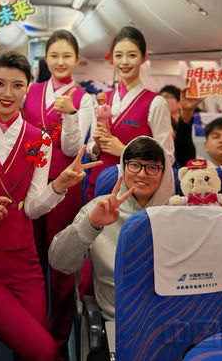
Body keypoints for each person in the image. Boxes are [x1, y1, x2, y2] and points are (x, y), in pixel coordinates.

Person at [0, 51, 101, 361]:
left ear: (27, 89)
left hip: (24, 264)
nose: (7, 93)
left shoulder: (40, 140)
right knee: (44, 351)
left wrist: (58, 186)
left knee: (32, 350)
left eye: (17, 85)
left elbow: (31, 208)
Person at [48, 136, 174, 360]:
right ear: (124, 167)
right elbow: (59, 262)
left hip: (173, 323)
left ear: (164, 174)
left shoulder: (180, 214)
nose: (142, 174)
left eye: (152, 167)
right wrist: (91, 225)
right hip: (119, 323)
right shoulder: (100, 208)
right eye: (134, 165)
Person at [20, 29, 94, 353]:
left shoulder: (83, 98)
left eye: (67, 55)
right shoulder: (32, 90)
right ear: (46, 58)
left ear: (76, 59)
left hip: (65, 188)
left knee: (61, 265)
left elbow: (72, 148)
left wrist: (70, 114)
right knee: (31, 259)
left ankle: (59, 337)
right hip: (31, 185)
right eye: (54, 55)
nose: (60, 61)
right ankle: (32, 327)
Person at [85, 26, 174, 200]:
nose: (124, 62)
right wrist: (96, 146)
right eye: (118, 56)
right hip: (100, 185)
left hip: (135, 192)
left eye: (132, 55)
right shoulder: (103, 99)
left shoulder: (155, 103)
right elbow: (91, 149)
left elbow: (167, 157)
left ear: (143, 58)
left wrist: (124, 151)